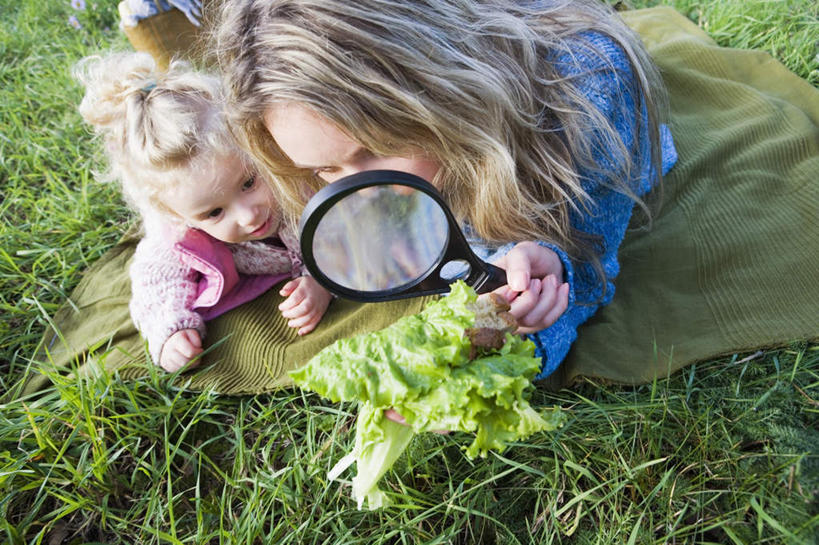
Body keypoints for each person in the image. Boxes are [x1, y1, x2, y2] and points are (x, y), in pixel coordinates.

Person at [214, 0, 678, 380]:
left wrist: (548, 278)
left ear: (438, 90)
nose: (365, 192)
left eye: (380, 146)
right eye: (323, 170)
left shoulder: (591, 87)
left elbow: (587, 255)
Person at [74, 51, 333, 372]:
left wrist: (322, 280)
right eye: (214, 213)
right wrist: (172, 331)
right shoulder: (178, 232)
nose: (248, 215)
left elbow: (351, 227)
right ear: (177, 215)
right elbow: (156, 281)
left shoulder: (296, 180)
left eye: (248, 183)